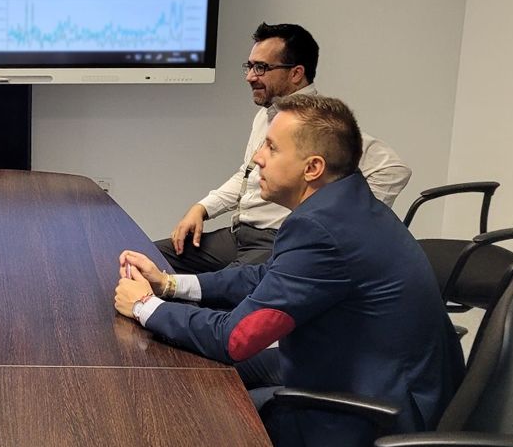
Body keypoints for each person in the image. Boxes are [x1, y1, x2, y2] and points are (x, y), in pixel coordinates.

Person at [114, 95, 463, 447]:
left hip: (374, 418)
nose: (256, 158)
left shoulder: (322, 228)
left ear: (312, 168)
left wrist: (144, 306)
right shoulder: (347, 204)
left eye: (271, 147)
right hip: (365, 374)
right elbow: (266, 275)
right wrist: (170, 285)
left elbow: (236, 338)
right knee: (192, 372)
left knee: (204, 421)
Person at [157, 22, 411, 274]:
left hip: (274, 242)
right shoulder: (267, 115)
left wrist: (344, 228)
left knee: (204, 294)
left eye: (261, 67)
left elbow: (393, 169)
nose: (250, 76)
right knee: (147, 256)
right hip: (238, 235)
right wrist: (201, 208)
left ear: (296, 73)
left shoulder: (315, 122)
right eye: (249, 66)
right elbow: (246, 174)